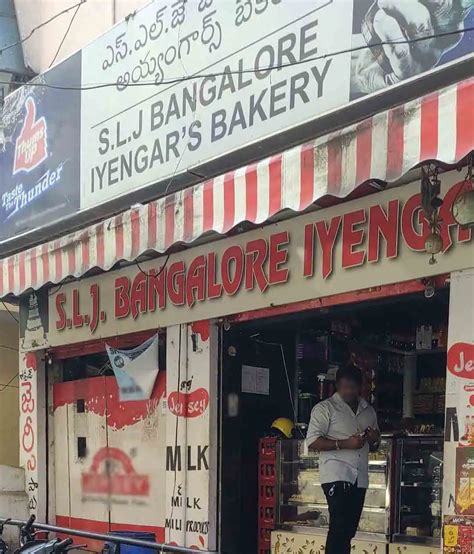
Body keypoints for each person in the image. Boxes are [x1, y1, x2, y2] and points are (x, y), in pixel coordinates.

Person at [306, 363, 380, 554]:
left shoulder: (368, 411)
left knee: (349, 530)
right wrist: (344, 443)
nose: (349, 391)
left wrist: (373, 440)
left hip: (359, 477)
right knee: (338, 526)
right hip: (336, 475)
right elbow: (313, 441)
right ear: (338, 386)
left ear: (361, 387)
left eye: (353, 387)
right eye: (345, 387)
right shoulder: (325, 409)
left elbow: (375, 444)